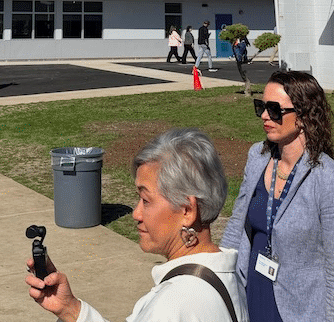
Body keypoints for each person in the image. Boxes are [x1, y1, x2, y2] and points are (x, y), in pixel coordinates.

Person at [27, 128, 247, 322]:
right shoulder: (226, 277)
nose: (136, 213)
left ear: (187, 211)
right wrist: (71, 310)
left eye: (146, 200)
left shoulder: (173, 304)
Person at [221, 70, 334, 321]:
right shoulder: (257, 157)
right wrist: (219, 278)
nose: (264, 116)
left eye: (274, 109)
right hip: (253, 290)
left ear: (304, 116)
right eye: (261, 106)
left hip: (301, 307)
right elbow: (237, 224)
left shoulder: (326, 177)